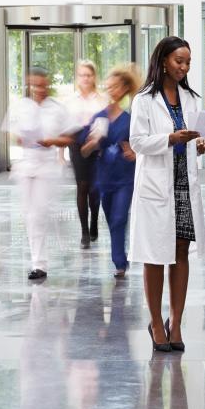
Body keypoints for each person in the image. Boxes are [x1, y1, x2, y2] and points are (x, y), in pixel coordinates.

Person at [129, 36, 205, 353]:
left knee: (180, 252)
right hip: (156, 187)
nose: (184, 67)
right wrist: (170, 138)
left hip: (183, 186)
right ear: (163, 61)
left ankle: (175, 323)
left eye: (188, 62)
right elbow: (137, 142)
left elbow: (194, 140)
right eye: (179, 61)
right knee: (154, 255)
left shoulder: (191, 98)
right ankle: (154, 321)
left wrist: (198, 145)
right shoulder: (144, 100)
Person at [7, 67, 81, 280]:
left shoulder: (57, 108)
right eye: (34, 85)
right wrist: (20, 138)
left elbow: (71, 138)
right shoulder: (21, 106)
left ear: (48, 84)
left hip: (47, 167)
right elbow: (13, 133)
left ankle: (43, 260)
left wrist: (52, 141)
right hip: (27, 164)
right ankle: (37, 263)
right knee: (30, 215)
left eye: (42, 85)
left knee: (40, 213)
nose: (38, 89)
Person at [81, 64, 139, 278]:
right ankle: (120, 258)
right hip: (104, 177)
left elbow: (141, 147)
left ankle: (119, 262)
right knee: (112, 219)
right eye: (109, 86)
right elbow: (84, 150)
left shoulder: (131, 119)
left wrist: (135, 153)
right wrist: (92, 143)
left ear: (124, 89)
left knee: (118, 218)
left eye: (116, 86)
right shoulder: (99, 117)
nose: (111, 90)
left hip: (125, 177)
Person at [66, 60, 109, 249]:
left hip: (97, 145)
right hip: (76, 146)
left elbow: (106, 122)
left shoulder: (101, 99)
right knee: (82, 187)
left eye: (89, 75)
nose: (85, 78)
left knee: (94, 189)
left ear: (94, 77)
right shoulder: (70, 101)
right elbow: (64, 128)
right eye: (82, 75)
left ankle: (94, 222)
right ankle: (84, 231)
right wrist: (60, 154)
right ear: (77, 77)